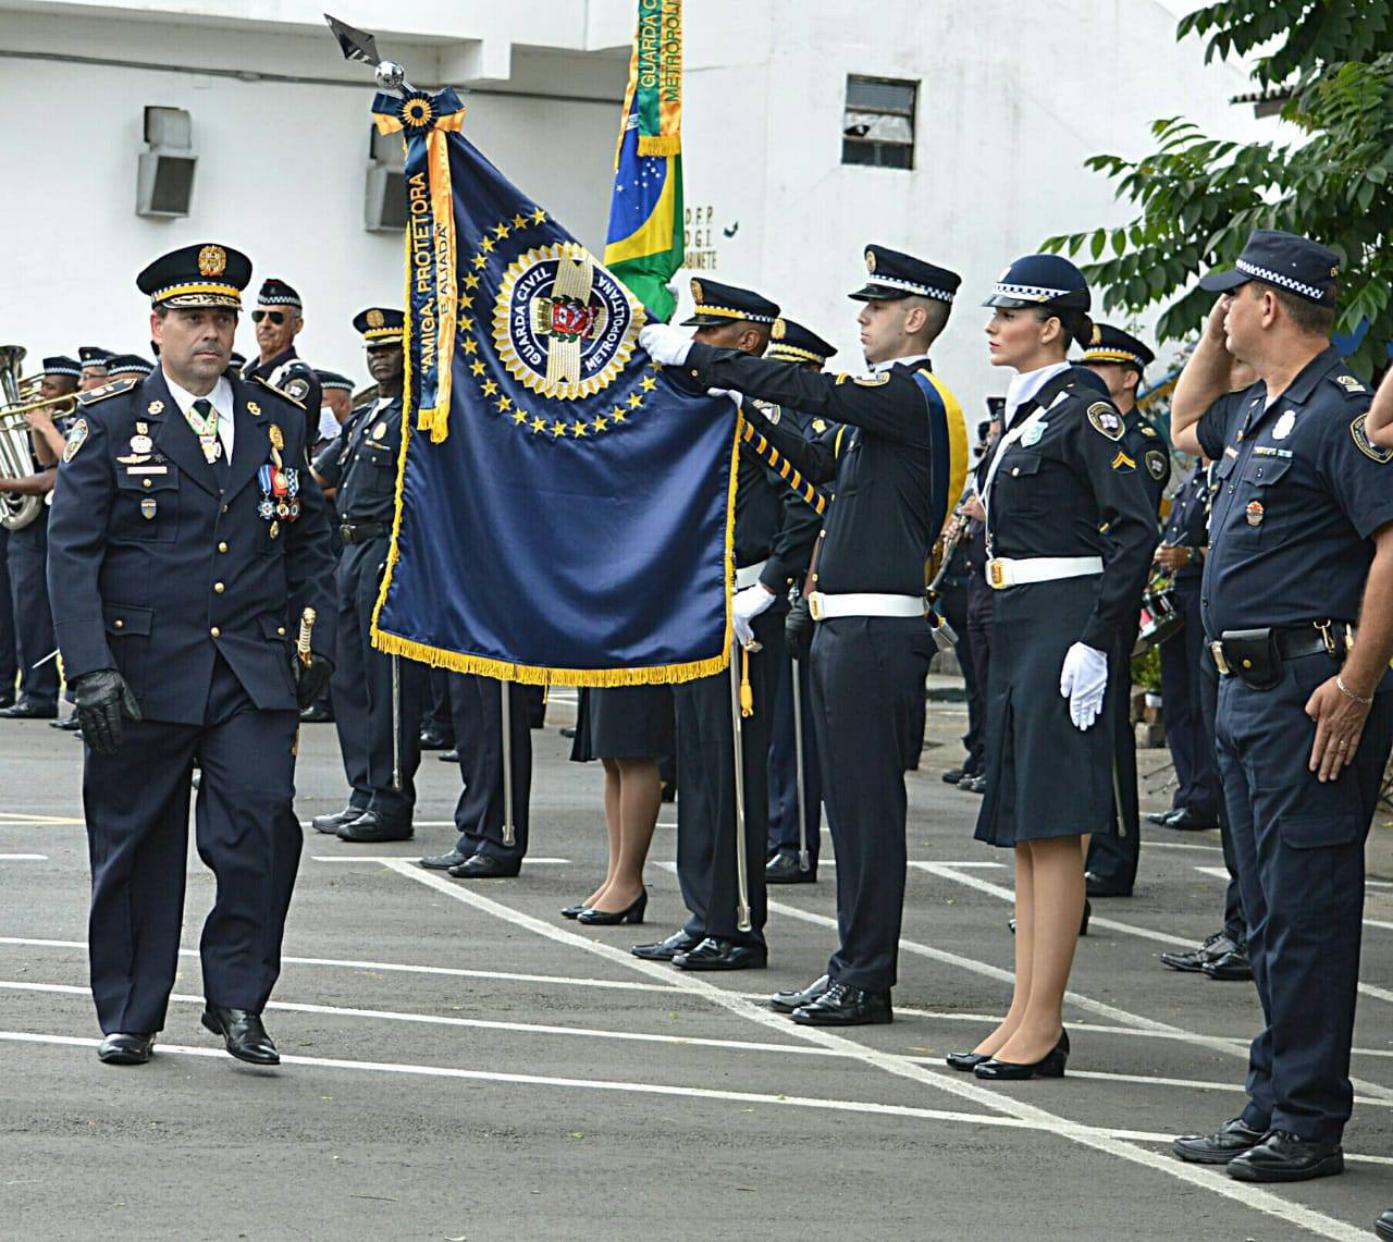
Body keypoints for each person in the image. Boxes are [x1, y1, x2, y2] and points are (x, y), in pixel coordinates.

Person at [640, 244, 968, 1022]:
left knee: (865, 812)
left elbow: (809, 389)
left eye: (877, 307)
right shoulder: (879, 413)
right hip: (844, 626)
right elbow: (816, 460)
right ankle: (851, 966)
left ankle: (864, 976)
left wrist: (705, 359)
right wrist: (739, 410)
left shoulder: (906, 395)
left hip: (875, 630)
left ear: (914, 319)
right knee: (849, 812)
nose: (862, 316)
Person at [46, 242, 335, 1067]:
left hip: (249, 668)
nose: (211, 333)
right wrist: (89, 666)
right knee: (136, 843)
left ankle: (239, 1001)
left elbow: (308, 543)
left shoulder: (279, 421)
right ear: (157, 327)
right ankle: (131, 1014)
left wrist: (313, 639)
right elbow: (74, 555)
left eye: (223, 319)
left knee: (260, 828)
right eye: (194, 319)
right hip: (139, 674)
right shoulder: (108, 424)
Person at [1167, 230, 1393, 1183]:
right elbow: (1185, 419)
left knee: (1305, 912)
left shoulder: (1338, 415)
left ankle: (1306, 1121)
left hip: (1311, 692)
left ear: (1267, 304)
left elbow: (1390, 551)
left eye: (1232, 299)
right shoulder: (1261, 411)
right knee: (1263, 913)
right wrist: (1216, 340)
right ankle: (1271, 1102)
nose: (1217, 313)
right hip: (1246, 691)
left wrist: (1356, 686)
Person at [945, 255, 1155, 1078]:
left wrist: (1098, 638)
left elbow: (1132, 527)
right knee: (1028, 825)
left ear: (1053, 327)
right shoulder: (1029, 413)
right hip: (1017, 618)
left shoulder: (1082, 411)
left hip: (1061, 622)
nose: (993, 325)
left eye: (1009, 314)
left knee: (1056, 823)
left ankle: (1043, 1020)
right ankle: (1023, 1009)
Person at [631, 279, 818, 972]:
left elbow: (805, 503)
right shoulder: (706, 411)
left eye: (710, 333)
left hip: (742, 607)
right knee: (700, 768)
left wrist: (768, 588)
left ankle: (738, 921)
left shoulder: (765, 413)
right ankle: (703, 912)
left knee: (734, 771)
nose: (697, 343)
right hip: (698, 604)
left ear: (746, 341)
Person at [309, 309, 425, 844]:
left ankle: (392, 798)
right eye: (373, 350)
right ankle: (364, 793)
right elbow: (317, 477)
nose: (380, 357)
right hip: (350, 550)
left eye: (390, 348)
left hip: (388, 549)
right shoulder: (361, 417)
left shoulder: (419, 415)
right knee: (349, 681)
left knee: (388, 686)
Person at [1077, 324, 1169, 899]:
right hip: (1083, 590)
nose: (1088, 377)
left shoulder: (1140, 441)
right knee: (1087, 729)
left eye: (1100, 370)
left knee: (1110, 730)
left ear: (1130, 378)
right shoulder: (1091, 431)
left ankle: (1113, 856)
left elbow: (1131, 526)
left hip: (1110, 592)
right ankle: (1094, 844)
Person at [762, 317, 835, 886]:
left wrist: (783, 580)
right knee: (764, 724)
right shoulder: (764, 417)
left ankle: (795, 841)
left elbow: (807, 509)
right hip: (754, 584)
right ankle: (770, 829)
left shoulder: (811, 425)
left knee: (793, 731)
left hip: (788, 584)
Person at [0, 356, 80, 720]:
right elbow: (48, 463)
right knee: (23, 615)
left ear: (70, 390)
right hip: (29, 527)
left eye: (50, 388)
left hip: (48, 525)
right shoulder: (55, 421)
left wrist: (5, 484)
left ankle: (41, 693)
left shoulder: (78, 421)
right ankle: (31, 690)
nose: (41, 393)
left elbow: (59, 474)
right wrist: (37, 424)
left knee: (37, 615)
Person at [561, 683, 674, 923]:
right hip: (609, 648)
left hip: (637, 654)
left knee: (632, 751)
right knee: (611, 757)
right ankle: (616, 877)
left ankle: (627, 881)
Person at [242, 278, 322, 442]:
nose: (265, 324)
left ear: (297, 326)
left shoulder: (299, 379)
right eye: (259, 316)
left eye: (276, 318)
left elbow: (282, 438)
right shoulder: (246, 374)